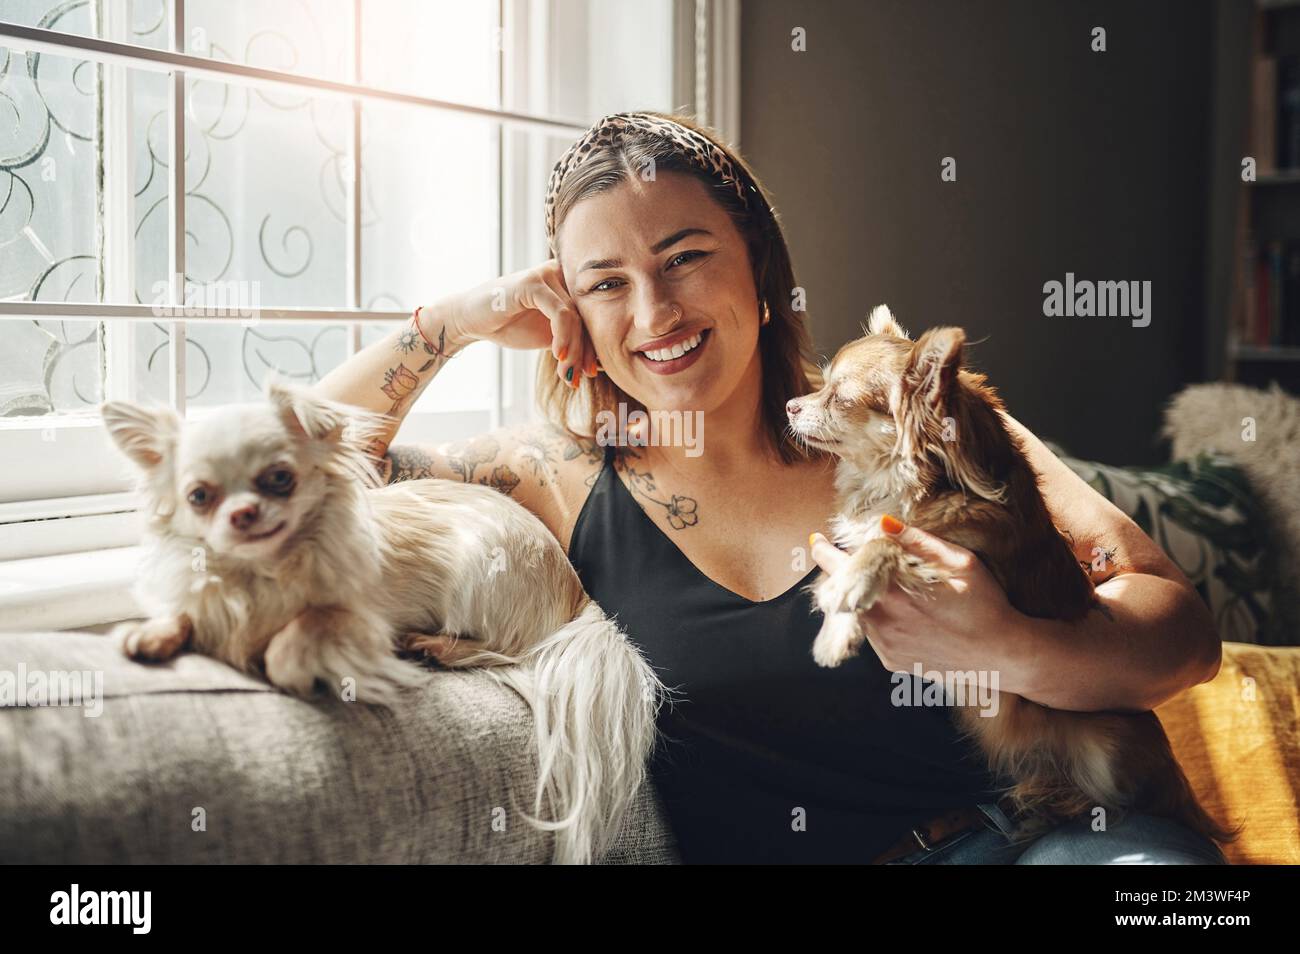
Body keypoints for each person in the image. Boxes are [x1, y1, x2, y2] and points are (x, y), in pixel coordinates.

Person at [313, 110, 1228, 864]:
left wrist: (1014, 647)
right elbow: (297, 474)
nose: (654, 313)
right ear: (575, 318)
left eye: (684, 257)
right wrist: (452, 323)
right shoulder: (550, 482)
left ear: (759, 271)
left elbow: (1184, 637)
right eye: (606, 284)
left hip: (1041, 846)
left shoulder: (906, 426)